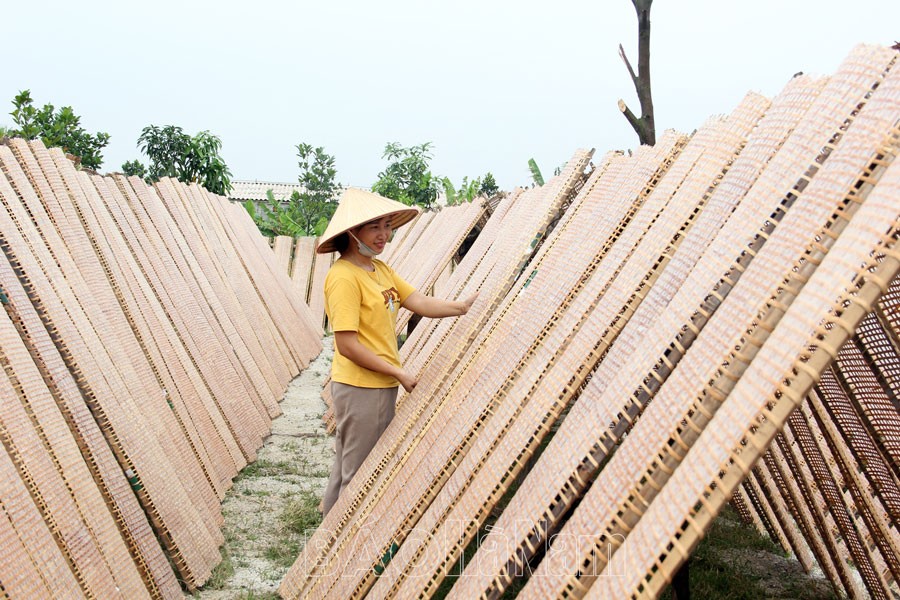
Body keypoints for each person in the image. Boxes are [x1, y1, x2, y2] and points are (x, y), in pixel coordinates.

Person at [318, 188, 477, 515]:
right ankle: (346, 546)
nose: (384, 235)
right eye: (374, 227)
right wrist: (397, 372)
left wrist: (462, 306)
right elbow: (346, 344)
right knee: (359, 471)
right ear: (352, 233)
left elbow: (418, 302)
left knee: (348, 460)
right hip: (362, 386)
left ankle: (327, 531)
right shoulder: (344, 277)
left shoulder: (380, 271)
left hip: (377, 384)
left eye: (387, 226)